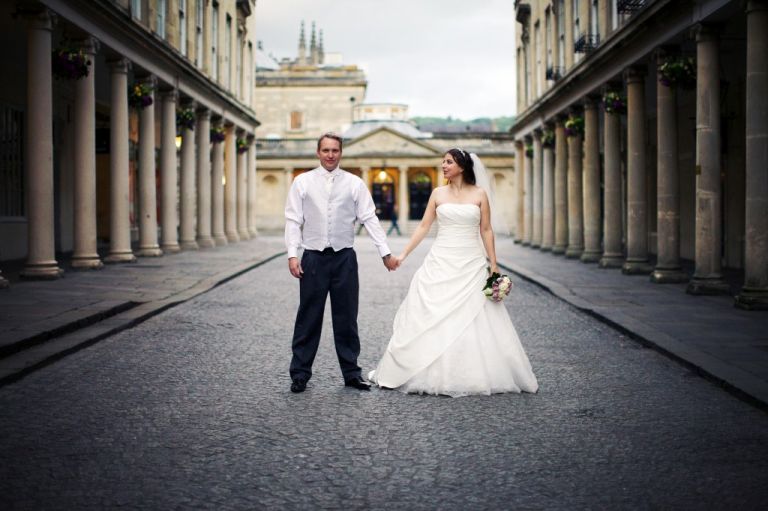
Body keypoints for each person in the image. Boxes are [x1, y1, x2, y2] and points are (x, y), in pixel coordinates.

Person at [368, 148, 538, 397]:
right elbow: (425, 226)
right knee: (433, 312)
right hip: (441, 259)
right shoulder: (438, 193)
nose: (443, 165)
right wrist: (403, 254)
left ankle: (474, 373)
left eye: (448, 162)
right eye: (443, 162)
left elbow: (487, 230)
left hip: (470, 262)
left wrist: (494, 264)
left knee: (477, 317)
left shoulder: (479, 194)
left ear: (462, 165)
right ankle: (427, 371)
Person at [285, 132, 399, 394]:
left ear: (341, 153)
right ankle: (300, 374)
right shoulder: (302, 182)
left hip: (344, 258)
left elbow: (369, 218)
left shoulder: (355, 183)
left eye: (335, 150)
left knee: (346, 318)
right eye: (325, 150)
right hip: (312, 258)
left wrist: (385, 252)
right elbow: (293, 220)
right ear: (318, 152)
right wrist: (293, 254)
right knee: (308, 317)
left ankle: (351, 373)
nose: (330, 155)